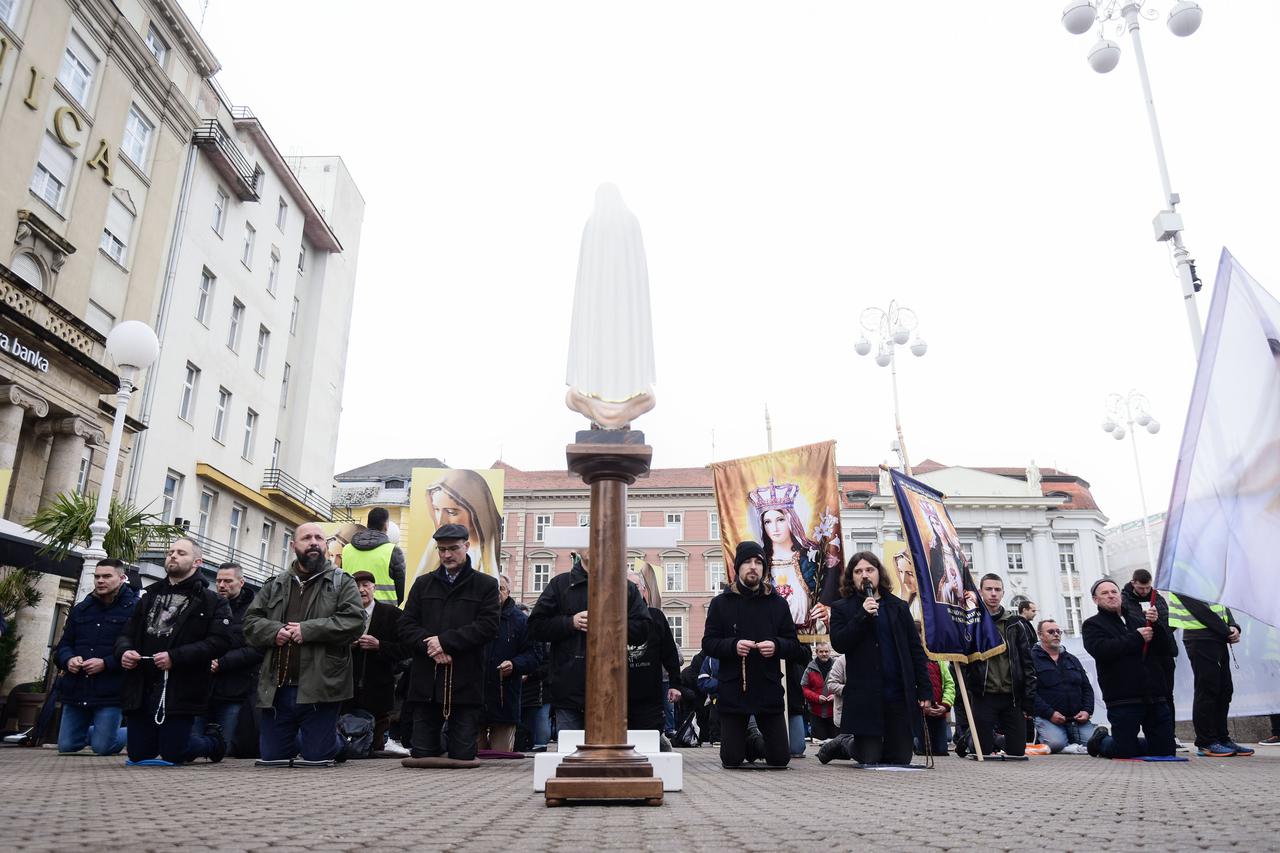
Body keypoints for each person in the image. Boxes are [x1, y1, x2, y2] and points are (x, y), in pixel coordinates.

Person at [243, 522, 366, 766]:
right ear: (293, 546)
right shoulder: (275, 583)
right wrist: (274, 631)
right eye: (306, 538)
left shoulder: (343, 582)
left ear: (326, 546)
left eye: (319, 538)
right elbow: (249, 622)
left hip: (321, 685)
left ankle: (336, 743)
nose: (313, 543)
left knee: (317, 757)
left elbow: (355, 622)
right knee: (273, 758)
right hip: (278, 686)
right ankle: (316, 739)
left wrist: (308, 630)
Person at [116, 539, 231, 764]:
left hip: (182, 685)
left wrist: (175, 657)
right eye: (170, 552)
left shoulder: (211, 600)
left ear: (197, 562)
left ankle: (213, 742)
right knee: (139, 755)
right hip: (143, 684)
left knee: (174, 753)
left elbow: (220, 642)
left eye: (181, 553)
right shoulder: (149, 596)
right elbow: (125, 633)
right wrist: (125, 652)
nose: (173, 556)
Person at [701, 541, 808, 769]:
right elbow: (708, 644)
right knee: (731, 760)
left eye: (758, 562)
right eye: (748, 562)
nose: (753, 567)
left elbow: (796, 648)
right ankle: (745, 740)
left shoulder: (778, 604)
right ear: (738, 567)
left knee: (780, 760)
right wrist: (733, 646)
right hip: (733, 690)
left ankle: (756, 740)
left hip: (767, 688)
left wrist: (776, 646)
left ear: (764, 568)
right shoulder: (720, 603)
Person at [398, 523, 500, 761]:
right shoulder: (423, 583)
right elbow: (405, 625)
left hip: (465, 682)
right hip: (426, 683)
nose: (446, 554)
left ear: (466, 546)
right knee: (422, 755)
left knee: (462, 754)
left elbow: (488, 627)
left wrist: (445, 642)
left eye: (453, 548)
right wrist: (431, 647)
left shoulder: (485, 585)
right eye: (441, 549)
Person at [821, 552, 932, 765]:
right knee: (869, 758)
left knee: (900, 759)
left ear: (879, 573)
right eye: (858, 571)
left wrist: (925, 689)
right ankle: (843, 744)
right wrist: (862, 615)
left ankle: (874, 743)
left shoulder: (898, 607)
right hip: (865, 695)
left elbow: (915, 650)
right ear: (851, 577)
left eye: (869, 570)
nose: (864, 575)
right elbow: (840, 643)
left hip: (897, 693)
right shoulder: (842, 607)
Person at [527, 549, 649, 733]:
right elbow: (535, 627)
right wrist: (570, 622)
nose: (593, 545)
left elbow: (643, 629)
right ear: (578, 549)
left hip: (610, 689)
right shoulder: (560, 585)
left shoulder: (624, 587)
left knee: (608, 756)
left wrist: (612, 623)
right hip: (568, 689)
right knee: (571, 753)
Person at [1081, 579, 1177, 759]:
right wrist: (1136, 638)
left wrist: (1156, 624)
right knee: (1124, 753)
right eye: (1105, 593)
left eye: (1113, 591)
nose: (1111, 595)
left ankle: (1138, 743)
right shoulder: (1092, 625)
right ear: (1095, 600)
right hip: (1123, 698)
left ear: (1120, 595)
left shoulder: (1140, 618)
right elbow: (1102, 650)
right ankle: (1100, 741)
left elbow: (1167, 649)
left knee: (1166, 751)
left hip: (1154, 695)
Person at [54, 559, 139, 755]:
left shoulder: (135, 609)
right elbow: (63, 646)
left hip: (111, 690)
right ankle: (101, 732)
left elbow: (138, 650)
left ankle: (142, 731)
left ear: (122, 578)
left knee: (103, 748)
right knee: (66, 747)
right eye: (97, 576)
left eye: (107, 576)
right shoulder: (81, 609)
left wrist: (106, 663)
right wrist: (68, 660)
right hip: (77, 688)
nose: (100, 581)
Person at [1168, 591, 1252, 757]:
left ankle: (1222, 738)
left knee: (1225, 689)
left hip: (1217, 636)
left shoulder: (1208, 576)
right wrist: (1226, 630)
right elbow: (1199, 609)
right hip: (1199, 638)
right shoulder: (1183, 575)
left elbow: (1222, 603)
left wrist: (1234, 626)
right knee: (1207, 689)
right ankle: (1206, 742)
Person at [961, 573, 1036, 758]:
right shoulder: (972, 622)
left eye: (997, 589)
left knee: (1017, 752)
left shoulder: (1016, 623)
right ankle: (970, 738)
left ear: (1003, 593)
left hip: (1012, 696)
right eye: (988, 589)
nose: (993, 593)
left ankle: (990, 738)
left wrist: (1029, 696)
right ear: (980, 592)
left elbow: (1028, 662)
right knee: (982, 751)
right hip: (985, 694)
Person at [747, 481, 839, 628]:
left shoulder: (812, 557)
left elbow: (831, 592)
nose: (775, 528)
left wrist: (826, 610)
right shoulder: (759, 563)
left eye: (780, 520)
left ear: (790, 519)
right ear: (762, 525)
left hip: (808, 637)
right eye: (768, 522)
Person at [196, 562, 262, 752]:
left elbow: (257, 649)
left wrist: (222, 663)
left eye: (228, 581)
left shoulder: (254, 612)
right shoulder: (208, 606)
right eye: (218, 581)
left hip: (235, 692)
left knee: (226, 748)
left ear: (241, 582)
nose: (222, 585)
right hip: (204, 690)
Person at [345, 570, 407, 752]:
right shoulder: (343, 614)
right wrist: (347, 645)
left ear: (374, 588)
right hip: (346, 691)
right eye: (356, 586)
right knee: (349, 743)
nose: (361, 590)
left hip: (379, 691)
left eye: (365, 585)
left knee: (375, 746)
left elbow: (406, 649)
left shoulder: (393, 615)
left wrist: (380, 645)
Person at [479, 574, 541, 752]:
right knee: (471, 753)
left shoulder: (521, 620)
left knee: (501, 756)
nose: (497, 593)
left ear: (508, 592)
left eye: (501, 588)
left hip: (505, 698)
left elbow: (534, 654)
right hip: (475, 698)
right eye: (493, 588)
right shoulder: (473, 616)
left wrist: (515, 665)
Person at [412, 470, 504, 584]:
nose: (441, 521)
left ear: (476, 511)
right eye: (436, 509)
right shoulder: (424, 582)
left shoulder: (487, 581)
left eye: (451, 512)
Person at [625, 569, 682, 749]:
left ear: (643, 590)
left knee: (650, 746)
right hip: (618, 698)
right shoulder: (610, 617)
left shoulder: (655, 617)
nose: (629, 591)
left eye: (633, 586)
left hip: (649, 697)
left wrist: (675, 684)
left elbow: (670, 653)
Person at [1030, 618, 1096, 754]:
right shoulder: (1030, 660)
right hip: (1048, 717)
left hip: (1077, 718)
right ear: (1040, 635)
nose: (1056, 634)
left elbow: (1086, 688)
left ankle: (1071, 740)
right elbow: (1029, 692)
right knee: (1055, 744)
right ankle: (1047, 738)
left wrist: (1087, 711)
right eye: (1051, 631)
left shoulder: (1072, 659)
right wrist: (1050, 713)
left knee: (1094, 744)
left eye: (1058, 631)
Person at [1121, 569, 1178, 722]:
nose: (1145, 591)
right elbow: (1127, 625)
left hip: (1163, 653)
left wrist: (1157, 621)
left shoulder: (1157, 598)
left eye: (1147, 588)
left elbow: (1170, 625)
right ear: (1133, 583)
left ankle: (1170, 734)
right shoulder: (1124, 600)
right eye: (1141, 588)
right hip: (1142, 655)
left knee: (1167, 695)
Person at [342, 507, 406, 604]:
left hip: (351, 610)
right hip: (384, 613)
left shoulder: (347, 549)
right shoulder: (393, 551)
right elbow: (401, 589)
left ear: (368, 524)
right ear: (386, 525)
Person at [801, 642, 838, 741]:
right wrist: (817, 698)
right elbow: (804, 688)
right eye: (821, 651)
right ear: (816, 652)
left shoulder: (837, 667)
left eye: (826, 651)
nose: (824, 654)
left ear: (830, 652)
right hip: (816, 713)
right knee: (818, 743)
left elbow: (845, 685)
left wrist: (835, 696)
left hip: (834, 712)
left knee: (835, 742)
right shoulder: (809, 669)